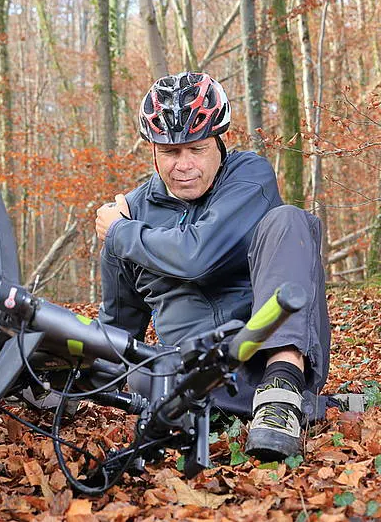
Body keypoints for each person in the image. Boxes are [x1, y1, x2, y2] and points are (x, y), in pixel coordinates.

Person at [94, 72, 331, 461]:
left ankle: (280, 397)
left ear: (218, 143)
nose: (183, 165)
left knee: (288, 220)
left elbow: (197, 258)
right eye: (170, 153)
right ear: (153, 151)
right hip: (187, 378)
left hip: (264, 359)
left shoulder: (247, 176)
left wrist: (119, 233)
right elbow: (118, 327)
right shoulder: (132, 212)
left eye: (197, 149)